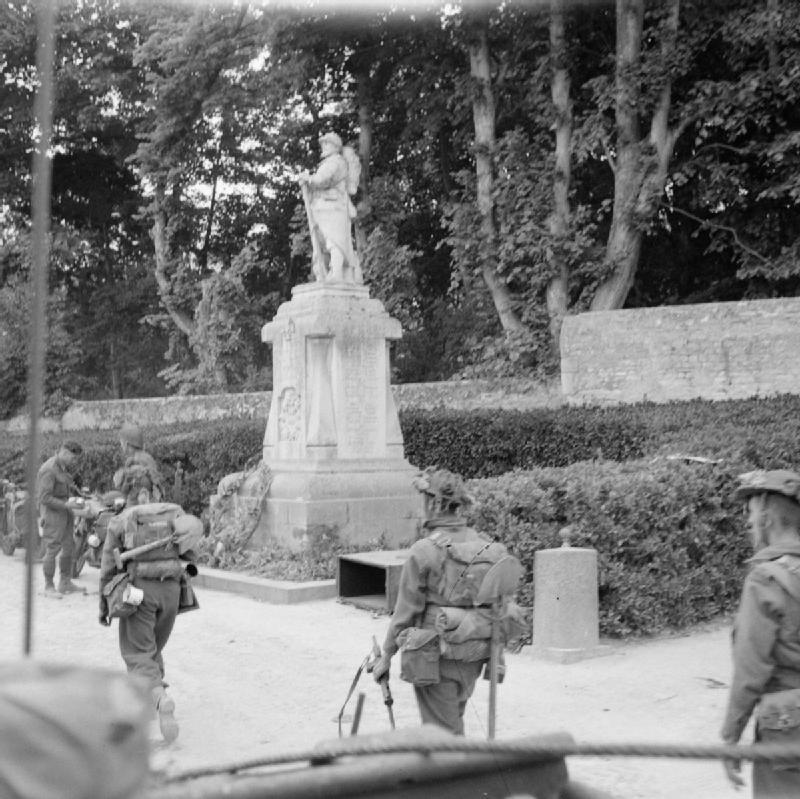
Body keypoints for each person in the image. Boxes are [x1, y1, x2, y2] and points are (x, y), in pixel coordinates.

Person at [372, 468, 523, 735]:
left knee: (442, 737)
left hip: (434, 657)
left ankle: (456, 774)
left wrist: (386, 655)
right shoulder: (488, 546)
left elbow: (405, 612)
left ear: (434, 503)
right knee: (453, 721)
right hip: (474, 654)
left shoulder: (424, 550)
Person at [98, 465, 202, 744]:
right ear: (152, 489)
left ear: (130, 493)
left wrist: (104, 606)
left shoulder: (121, 520)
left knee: (137, 653)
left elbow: (108, 566)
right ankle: (149, 697)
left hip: (138, 592)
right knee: (152, 648)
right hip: (171, 591)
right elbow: (190, 551)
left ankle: (159, 697)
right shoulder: (176, 512)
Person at [721, 469, 800, 797]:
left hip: (789, 732)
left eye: (750, 510)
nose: (747, 521)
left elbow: (750, 672)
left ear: (767, 514)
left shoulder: (766, 579)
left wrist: (731, 737)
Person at [297, 131, 361, 283]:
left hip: (333, 206)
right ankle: (325, 273)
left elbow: (322, 180)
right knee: (325, 241)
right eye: (323, 144)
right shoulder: (329, 162)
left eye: (327, 143)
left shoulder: (335, 162)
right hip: (324, 207)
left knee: (335, 240)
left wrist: (308, 178)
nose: (323, 147)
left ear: (335, 146)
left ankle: (337, 273)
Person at [37, 440, 85, 595]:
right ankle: (49, 586)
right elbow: (44, 498)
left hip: (65, 514)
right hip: (53, 515)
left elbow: (64, 487)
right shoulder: (49, 469)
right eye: (73, 457)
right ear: (64, 452)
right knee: (52, 549)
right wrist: (66, 504)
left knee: (68, 547)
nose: (74, 461)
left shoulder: (62, 467)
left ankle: (65, 583)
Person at [114, 422, 164, 503]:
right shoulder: (148, 457)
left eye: (121, 444)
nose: (121, 446)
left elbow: (124, 489)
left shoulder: (133, 461)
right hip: (154, 500)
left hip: (138, 504)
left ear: (126, 444)